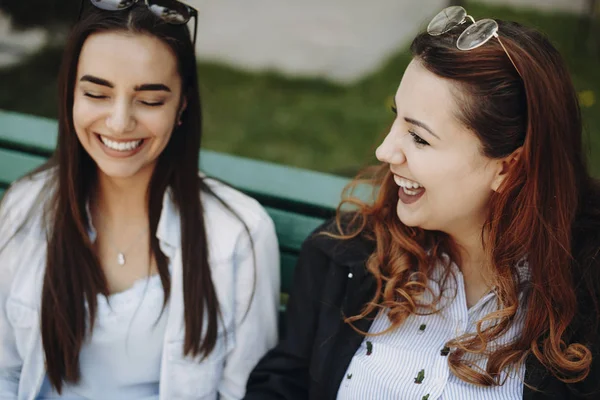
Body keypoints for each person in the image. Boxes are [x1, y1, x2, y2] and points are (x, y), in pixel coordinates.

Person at [245, 6, 600, 400]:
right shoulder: (344, 256)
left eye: (419, 138)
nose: (384, 151)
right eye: (398, 119)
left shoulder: (585, 299)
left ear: (509, 168)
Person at [0, 1, 280, 399]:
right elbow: (5, 372)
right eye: (97, 93)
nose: (119, 122)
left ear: (182, 106)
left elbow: (242, 392)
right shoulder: (26, 206)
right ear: (70, 95)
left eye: (149, 100)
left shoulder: (239, 235)